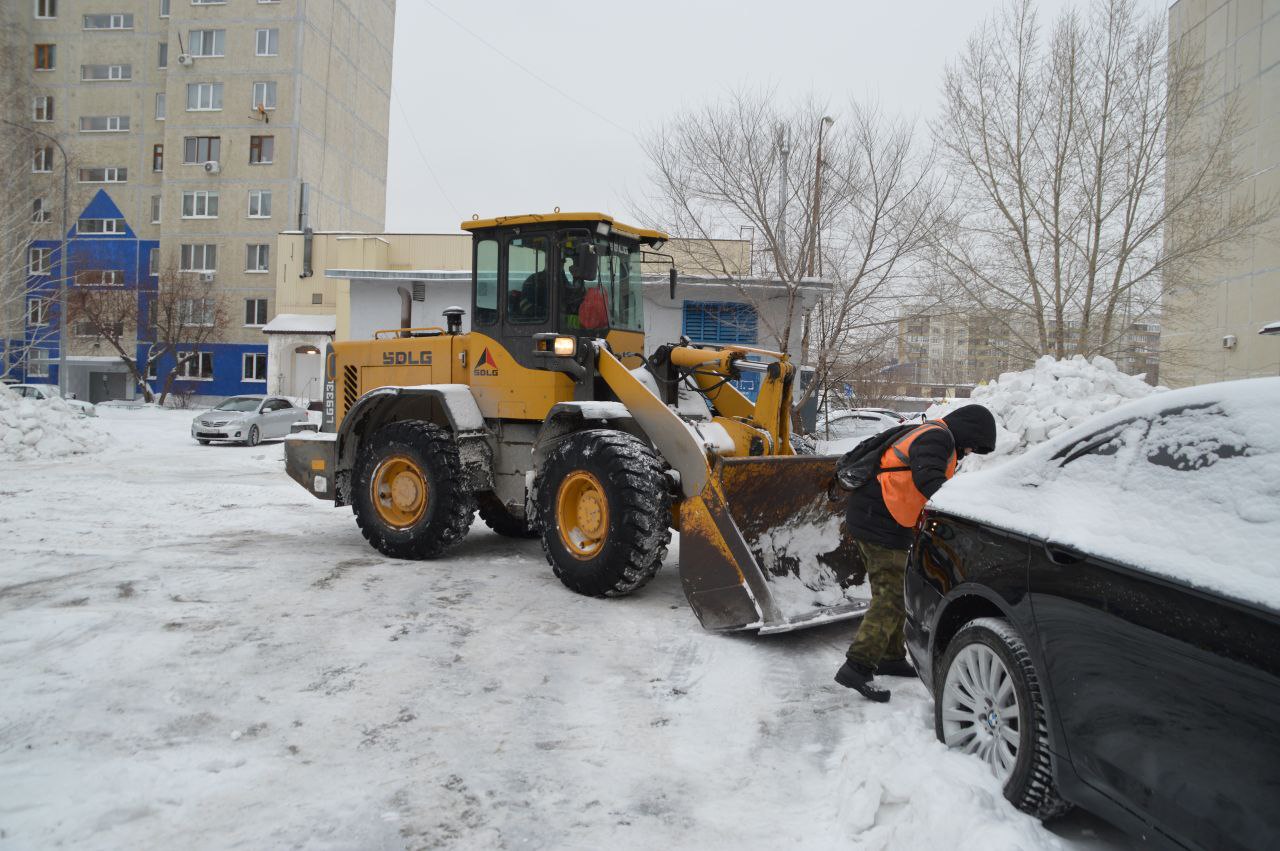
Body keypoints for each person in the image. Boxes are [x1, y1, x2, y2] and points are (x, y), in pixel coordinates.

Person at [835, 404, 997, 703]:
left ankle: (890, 656)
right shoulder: (937, 438)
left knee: (894, 593)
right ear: (968, 430)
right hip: (878, 523)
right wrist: (965, 508)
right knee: (891, 597)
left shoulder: (936, 435)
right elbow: (930, 482)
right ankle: (857, 666)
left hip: (883, 521)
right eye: (974, 444)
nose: (971, 451)